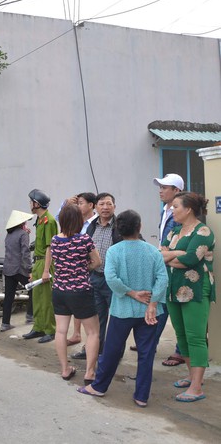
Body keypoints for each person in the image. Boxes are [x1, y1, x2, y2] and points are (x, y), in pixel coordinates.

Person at [77, 210, 167, 407]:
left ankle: (98, 387)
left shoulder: (114, 251)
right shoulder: (153, 251)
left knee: (111, 350)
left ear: (118, 229)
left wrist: (132, 293)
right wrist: (152, 303)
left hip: (122, 311)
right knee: (146, 354)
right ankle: (142, 396)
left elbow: (111, 279)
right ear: (140, 227)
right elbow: (163, 279)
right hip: (149, 312)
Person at [161, 192, 215, 403]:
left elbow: (192, 259)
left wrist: (172, 255)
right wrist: (178, 256)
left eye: (175, 207)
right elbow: (160, 255)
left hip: (195, 290)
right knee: (181, 336)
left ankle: (196, 387)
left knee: (195, 337)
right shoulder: (174, 231)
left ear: (188, 209)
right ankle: (193, 377)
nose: (172, 210)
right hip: (173, 289)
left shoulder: (203, 231)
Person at [46, 204, 101, 382]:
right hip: (80, 291)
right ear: (79, 220)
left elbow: (56, 261)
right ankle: (89, 372)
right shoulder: (84, 240)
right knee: (92, 332)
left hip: (59, 291)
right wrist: (84, 268)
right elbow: (97, 262)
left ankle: (65, 369)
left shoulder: (55, 240)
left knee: (61, 332)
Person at [72, 192, 120, 360]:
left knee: (116, 319)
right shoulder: (92, 226)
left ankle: (113, 354)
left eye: (109, 204)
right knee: (96, 317)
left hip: (114, 280)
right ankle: (95, 350)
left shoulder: (120, 226)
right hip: (95, 277)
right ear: (96, 207)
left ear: (114, 206)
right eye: (102, 204)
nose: (105, 207)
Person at [153, 174, 185, 367]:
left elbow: (177, 244)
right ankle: (151, 340)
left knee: (177, 309)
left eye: (165, 187)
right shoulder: (164, 211)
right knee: (161, 305)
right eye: (160, 187)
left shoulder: (180, 214)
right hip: (163, 263)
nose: (161, 190)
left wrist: (167, 254)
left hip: (175, 265)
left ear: (177, 191)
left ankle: (181, 351)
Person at [63, 192, 97, 347]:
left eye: (81, 203)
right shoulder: (77, 223)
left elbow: (97, 260)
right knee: (79, 303)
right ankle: (77, 334)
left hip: (91, 271)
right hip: (79, 274)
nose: (78, 206)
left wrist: (84, 267)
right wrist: (66, 204)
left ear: (91, 205)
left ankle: (93, 342)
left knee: (92, 314)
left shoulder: (95, 223)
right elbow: (60, 217)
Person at [23, 189, 57, 343]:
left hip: (45, 262)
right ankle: (38, 327)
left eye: (31, 201)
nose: (30, 204)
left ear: (37, 203)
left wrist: (45, 270)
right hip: (37, 261)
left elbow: (50, 247)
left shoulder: (49, 221)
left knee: (46, 299)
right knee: (36, 297)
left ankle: (50, 330)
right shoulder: (40, 220)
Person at [1, 210, 33, 332]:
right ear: (21, 223)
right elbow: (25, 253)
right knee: (33, 289)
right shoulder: (23, 234)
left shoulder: (9, 234)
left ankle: (5, 323)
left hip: (8, 268)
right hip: (19, 269)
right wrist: (29, 269)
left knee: (9, 297)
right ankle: (30, 315)